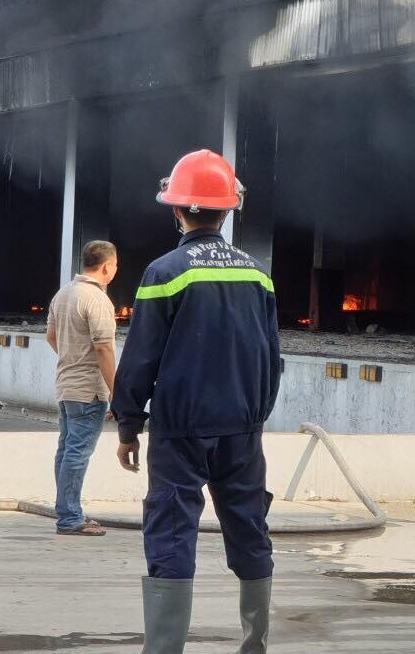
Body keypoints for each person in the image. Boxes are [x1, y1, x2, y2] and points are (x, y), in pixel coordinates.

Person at [113, 149, 280, 654]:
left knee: (171, 530)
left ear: (177, 209)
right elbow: (272, 356)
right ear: (228, 210)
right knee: (249, 529)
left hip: (181, 429)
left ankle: (165, 649)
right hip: (242, 430)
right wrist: (255, 416)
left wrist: (127, 424)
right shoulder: (257, 273)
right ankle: (255, 645)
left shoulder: (165, 272)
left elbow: (142, 356)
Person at [46, 239, 119, 536]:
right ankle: (70, 518)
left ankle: (67, 511)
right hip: (89, 389)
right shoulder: (97, 299)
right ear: (106, 266)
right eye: (115, 265)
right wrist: (118, 393)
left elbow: (51, 337)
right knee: (77, 453)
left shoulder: (63, 294)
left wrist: (72, 359)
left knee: (65, 450)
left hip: (66, 385)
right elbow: (103, 348)